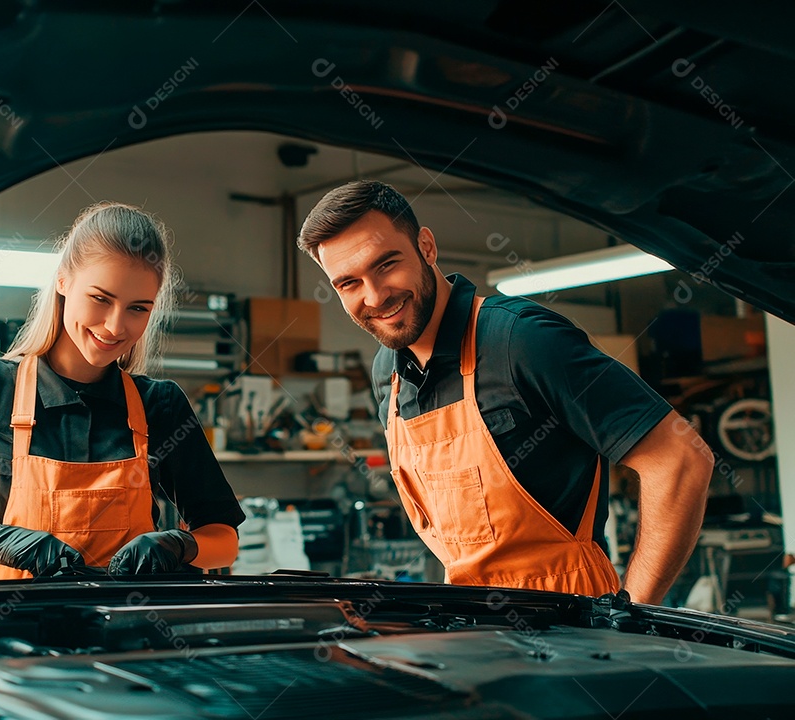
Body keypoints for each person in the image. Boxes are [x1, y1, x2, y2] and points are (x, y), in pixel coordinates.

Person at [297, 181, 713, 602]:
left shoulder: (520, 340)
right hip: (469, 627)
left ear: (426, 247)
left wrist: (632, 612)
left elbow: (680, 458)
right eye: (348, 283)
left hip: (572, 629)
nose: (374, 295)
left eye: (386, 264)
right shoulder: (388, 374)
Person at [0, 202, 245, 580]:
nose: (114, 326)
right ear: (63, 280)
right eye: (100, 299)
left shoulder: (159, 405)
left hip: (124, 630)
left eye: (138, 308)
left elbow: (223, 539)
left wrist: (179, 546)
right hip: (6, 629)